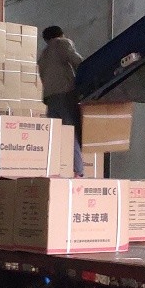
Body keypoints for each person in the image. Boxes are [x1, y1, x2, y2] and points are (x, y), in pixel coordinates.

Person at [38, 25, 84, 177]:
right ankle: (78, 171)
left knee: (57, 134)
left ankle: (58, 170)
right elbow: (78, 62)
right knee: (71, 132)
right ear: (61, 34)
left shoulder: (43, 55)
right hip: (65, 95)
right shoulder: (62, 44)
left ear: (46, 40)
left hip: (50, 99)